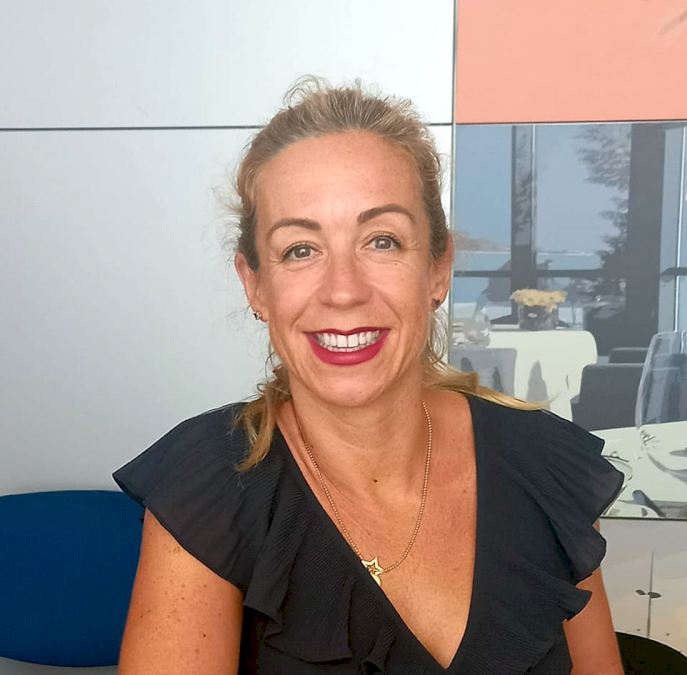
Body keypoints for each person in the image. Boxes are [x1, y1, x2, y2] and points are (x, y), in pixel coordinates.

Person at [113, 79, 625, 674]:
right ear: (255, 285)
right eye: (300, 249)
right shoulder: (209, 488)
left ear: (437, 268)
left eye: (382, 241)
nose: (343, 291)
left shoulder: (543, 464)